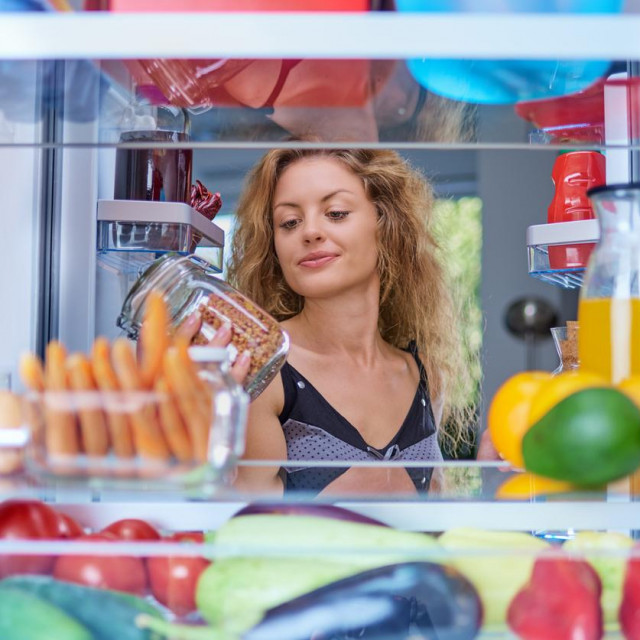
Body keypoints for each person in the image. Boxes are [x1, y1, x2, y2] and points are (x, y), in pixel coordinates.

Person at [183, 147, 483, 497]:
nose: (309, 232)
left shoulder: (423, 373)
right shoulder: (262, 372)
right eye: (289, 222)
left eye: (336, 213)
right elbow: (247, 524)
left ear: (386, 225)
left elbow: (437, 520)